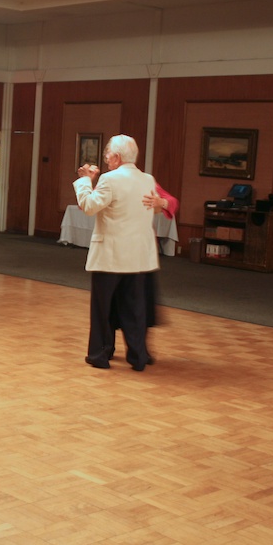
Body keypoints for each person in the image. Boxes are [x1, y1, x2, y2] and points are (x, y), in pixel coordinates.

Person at [74, 134, 158, 372]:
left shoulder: (110, 180)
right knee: (134, 310)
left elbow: (89, 208)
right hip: (138, 257)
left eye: (108, 153)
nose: (106, 157)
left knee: (102, 309)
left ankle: (100, 353)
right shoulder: (148, 180)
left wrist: (84, 181)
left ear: (117, 157)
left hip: (110, 257)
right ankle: (138, 356)